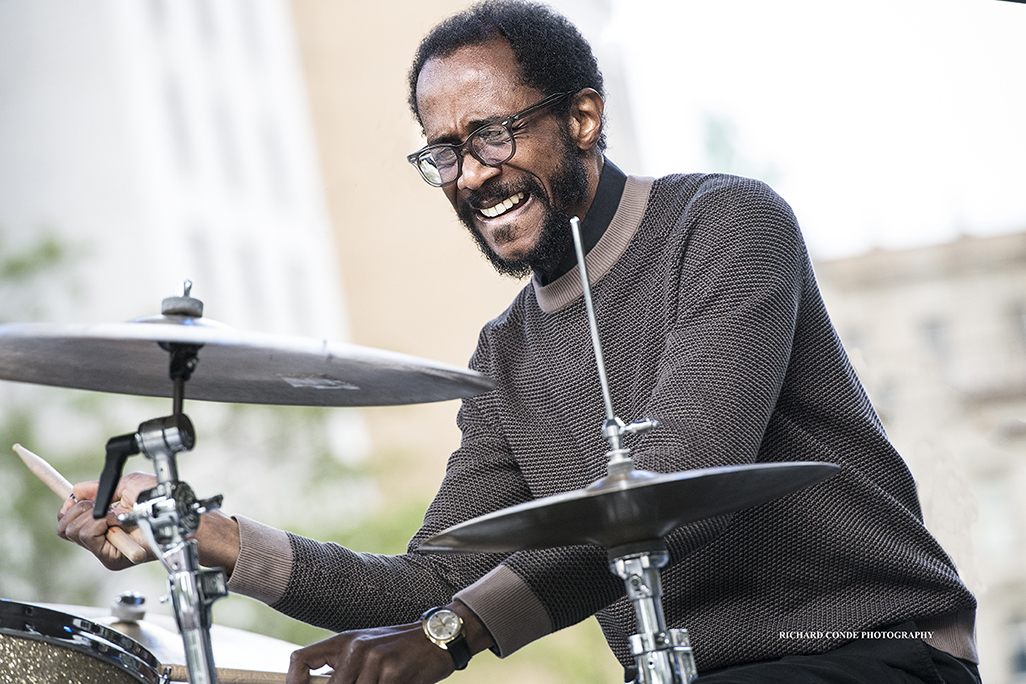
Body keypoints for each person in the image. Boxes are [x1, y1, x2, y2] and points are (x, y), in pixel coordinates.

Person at [57, 2, 982, 683]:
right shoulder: (504, 360)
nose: (472, 175)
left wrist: (453, 633)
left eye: (492, 133)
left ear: (582, 118)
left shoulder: (727, 223)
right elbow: (430, 581)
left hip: (863, 649)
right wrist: (208, 535)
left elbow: (678, 477)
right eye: (444, 151)